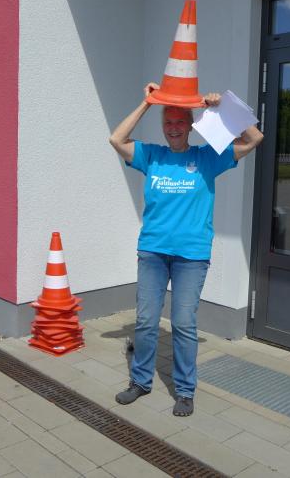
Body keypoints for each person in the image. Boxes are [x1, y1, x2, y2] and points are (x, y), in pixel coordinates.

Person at [108, 82, 263, 416]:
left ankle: (184, 391)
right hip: (153, 252)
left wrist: (221, 108)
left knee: (182, 323)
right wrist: (148, 102)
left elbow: (253, 139)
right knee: (146, 321)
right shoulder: (152, 155)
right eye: (168, 122)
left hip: (191, 256)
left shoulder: (207, 158)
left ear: (191, 126)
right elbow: (116, 139)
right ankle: (140, 381)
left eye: (180, 122)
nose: (174, 127)